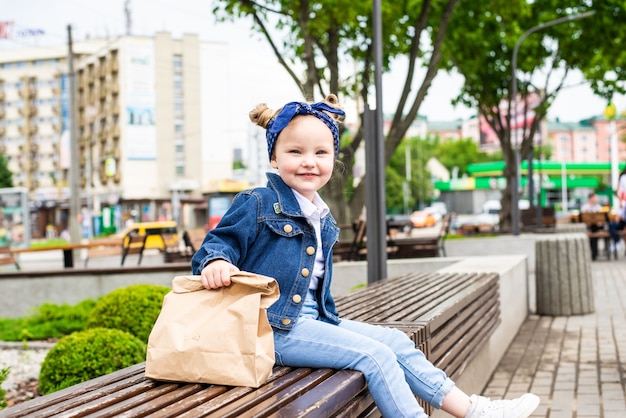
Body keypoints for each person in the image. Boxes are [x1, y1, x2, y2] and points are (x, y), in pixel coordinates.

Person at [191, 94, 540, 418]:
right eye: (295, 152)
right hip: (271, 327)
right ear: (274, 157)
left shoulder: (321, 214)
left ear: (333, 158)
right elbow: (216, 244)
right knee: (375, 355)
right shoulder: (258, 202)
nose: (309, 162)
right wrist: (217, 262)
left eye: (321, 153)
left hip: (315, 319)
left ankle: (474, 410)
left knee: (395, 341)